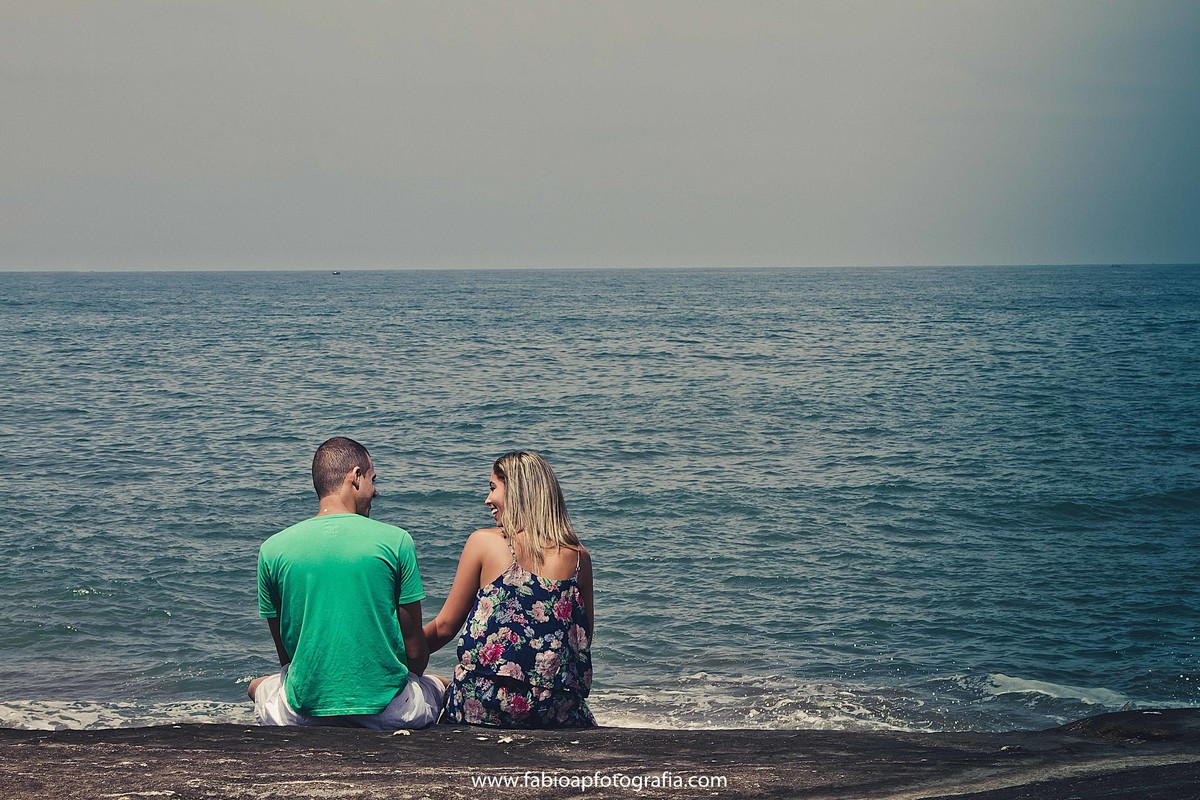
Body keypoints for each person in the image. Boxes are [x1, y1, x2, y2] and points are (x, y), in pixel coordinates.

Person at [248, 436, 446, 729]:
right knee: (439, 683)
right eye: (372, 479)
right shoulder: (396, 541)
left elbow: (287, 656)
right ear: (355, 477)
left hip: (303, 714)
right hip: (387, 713)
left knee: (255, 686)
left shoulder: (272, 550)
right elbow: (415, 655)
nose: (375, 491)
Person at [424, 451, 595, 727]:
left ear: (517, 492)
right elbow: (583, 638)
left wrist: (398, 655)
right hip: (553, 711)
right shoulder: (579, 559)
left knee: (439, 685)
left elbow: (444, 628)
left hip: (485, 704)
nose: (487, 500)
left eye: (493, 488)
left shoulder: (484, 542)